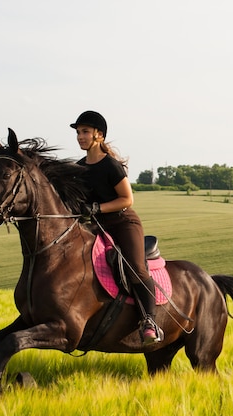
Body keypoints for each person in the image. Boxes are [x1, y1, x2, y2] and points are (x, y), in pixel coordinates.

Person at [70, 110, 164, 345]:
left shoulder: (111, 166)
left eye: (85, 132)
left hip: (123, 223)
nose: (80, 136)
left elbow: (126, 199)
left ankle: (149, 321)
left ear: (99, 135)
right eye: (78, 132)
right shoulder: (79, 167)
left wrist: (97, 208)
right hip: (97, 225)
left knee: (136, 268)